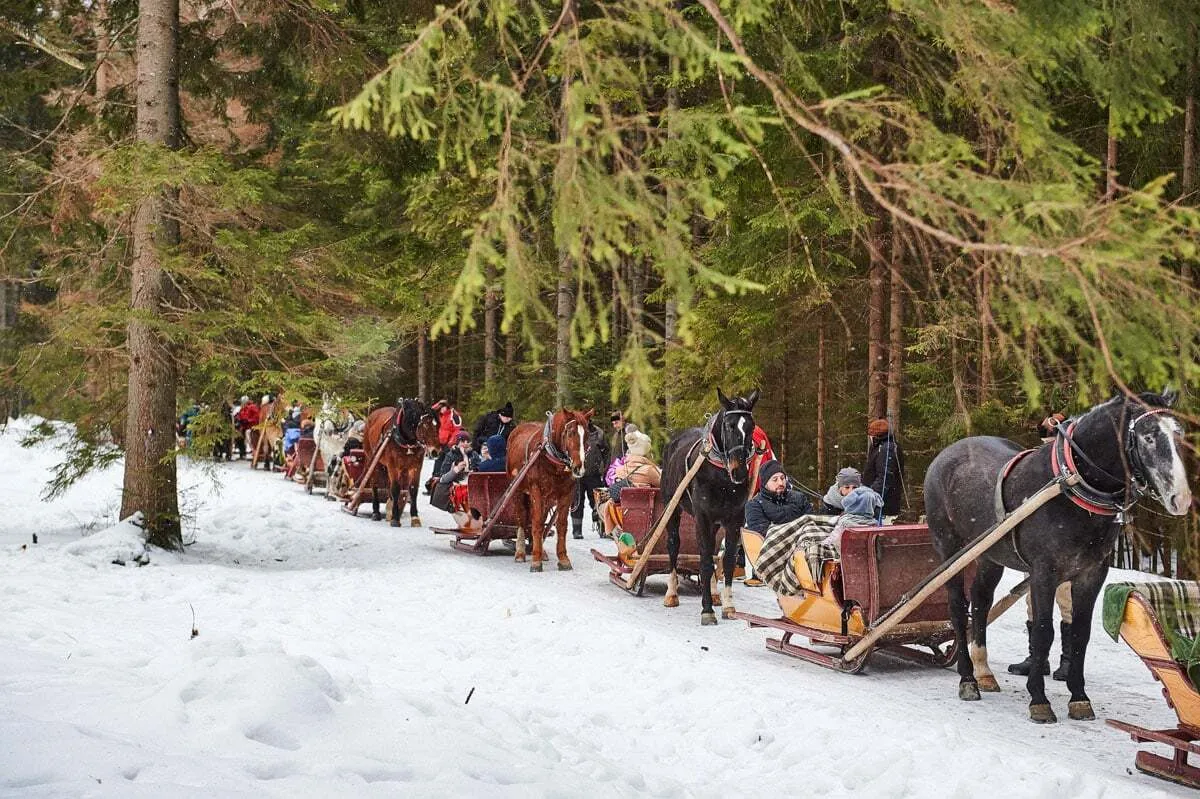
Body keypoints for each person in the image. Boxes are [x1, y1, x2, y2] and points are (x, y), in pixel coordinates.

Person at [1009, 411, 1073, 680]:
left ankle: (1069, 660)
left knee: (1067, 601)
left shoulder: (1071, 463)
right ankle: (1038, 657)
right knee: (1034, 602)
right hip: (1036, 543)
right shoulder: (1035, 460)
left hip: (1066, 545)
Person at [597, 430, 660, 539]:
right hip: (649, 513)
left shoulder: (620, 470)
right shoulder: (649, 471)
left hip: (624, 513)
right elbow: (662, 485)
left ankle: (618, 531)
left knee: (603, 505)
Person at [431, 432, 481, 527]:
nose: (465, 443)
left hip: (472, 485)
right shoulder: (451, 455)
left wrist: (473, 470)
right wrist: (456, 470)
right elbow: (443, 478)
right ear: (458, 442)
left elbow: (480, 469)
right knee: (459, 494)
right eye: (462, 441)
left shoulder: (474, 455)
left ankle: (472, 522)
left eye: (468, 441)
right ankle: (465, 521)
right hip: (456, 486)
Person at [572, 422, 611, 539]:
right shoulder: (573, 431)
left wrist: (603, 468)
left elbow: (606, 451)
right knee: (577, 502)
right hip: (577, 474)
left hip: (593, 474)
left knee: (597, 502)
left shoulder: (598, 433)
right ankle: (577, 530)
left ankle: (603, 527)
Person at [822, 486, 884, 553]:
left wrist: (825, 543)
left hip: (846, 556)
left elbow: (834, 538)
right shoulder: (874, 524)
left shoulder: (845, 522)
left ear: (851, 505)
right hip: (865, 556)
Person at [863, 418, 904, 519]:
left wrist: (870, 498)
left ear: (875, 434)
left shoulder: (886, 449)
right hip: (879, 502)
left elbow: (884, 478)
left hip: (883, 505)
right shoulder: (880, 447)